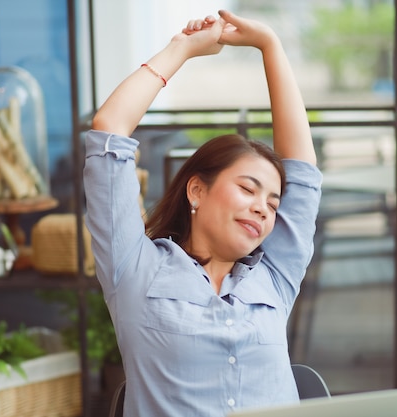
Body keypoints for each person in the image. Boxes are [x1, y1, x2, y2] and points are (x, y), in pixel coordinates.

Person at [84, 9, 322, 416]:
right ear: (197, 189)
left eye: (272, 203)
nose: (262, 209)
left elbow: (303, 175)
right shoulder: (135, 269)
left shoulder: (275, 278)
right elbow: (109, 130)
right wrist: (182, 50)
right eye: (248, 188)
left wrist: (270, 46)